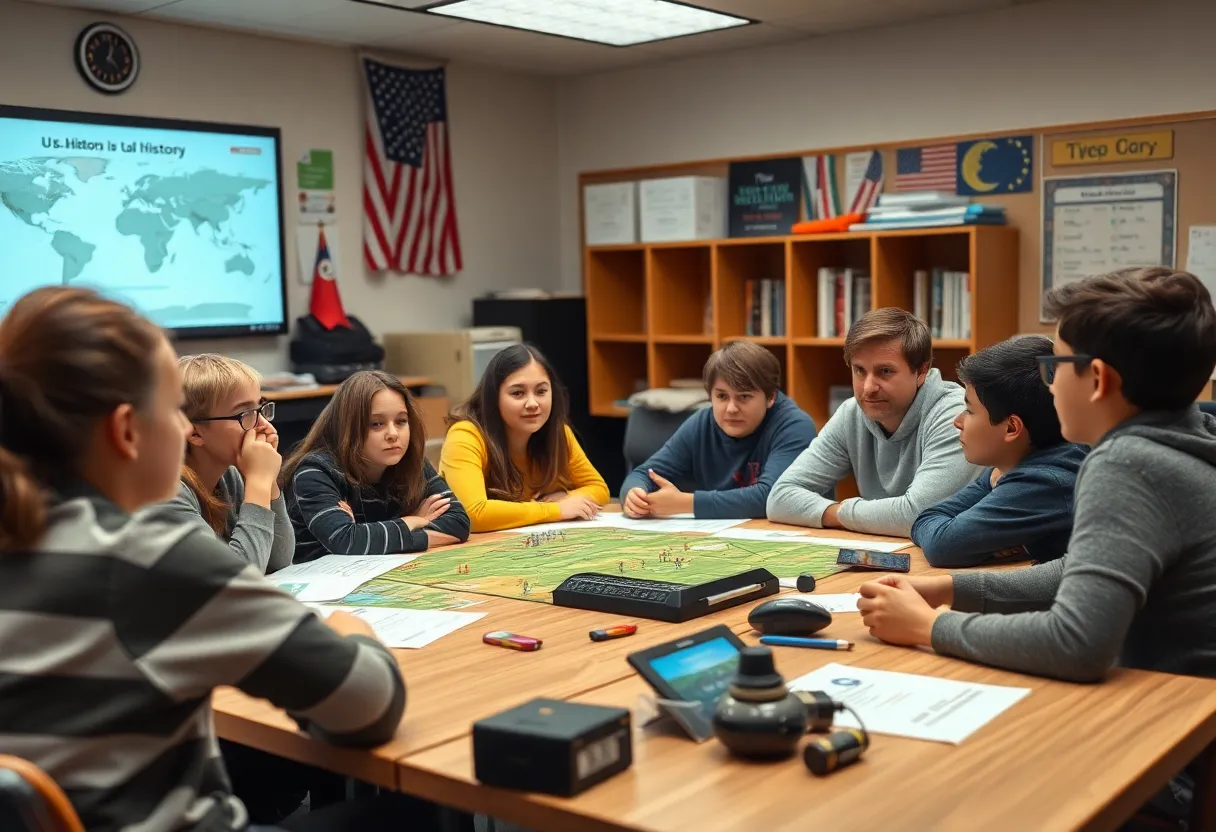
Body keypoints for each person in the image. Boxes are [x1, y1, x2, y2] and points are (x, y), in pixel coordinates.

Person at [0, 286, 411, 831]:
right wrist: (352, 630)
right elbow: (369, 707)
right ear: (126, 431)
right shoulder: (144, 556)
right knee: (417, 812)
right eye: (173, 410)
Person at [858, 267, 1216, 684]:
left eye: (1055, 366)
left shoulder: (1127, 464)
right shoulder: (1182, 439)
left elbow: (1076, 645)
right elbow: (1081, 569)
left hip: (1181, 713)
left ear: (1097, 380)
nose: (1051, 384)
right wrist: (951, 589)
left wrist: (927, 627)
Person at [766, 307, 979, 536]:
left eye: (885, 371)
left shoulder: (956, 415)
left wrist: (840, 513)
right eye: (859, 370)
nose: (868, 388)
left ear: (921, 371)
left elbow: (917, 516)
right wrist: (854, 516)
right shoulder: (852, 413)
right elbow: (780, 497)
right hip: (889, 551)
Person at [910, 336, 1088, 567]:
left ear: (1012, 428)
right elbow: (925, 519)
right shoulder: (1018, 461)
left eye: (969, 410)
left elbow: (942, 545)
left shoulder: (1047, 479)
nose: (957, 421)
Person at [283, 370, 470, 562]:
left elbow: (459, 523)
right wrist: (410, 521)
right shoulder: (315, 471)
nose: (392, 434)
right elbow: (346, 541)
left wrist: (372, 535)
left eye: (401, 421)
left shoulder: (410, 461)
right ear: (347, 427)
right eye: (376, 424)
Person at [620, 341, 817, 519]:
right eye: (722, 397)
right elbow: (643, 474)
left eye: (744, 397)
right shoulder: (701, 423)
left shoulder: (795, 426)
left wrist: (686, 503)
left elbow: (771, 497)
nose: (731, 408)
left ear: (770, 397)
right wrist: (635, 495)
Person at [440, 344, 609, 533]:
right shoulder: (465, 435)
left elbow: (598, 488)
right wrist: (555, 510)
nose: (532, 404)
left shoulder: (558, 432)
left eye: (541, 391)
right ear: (493, 397)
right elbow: (472, 513)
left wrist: (567, 497)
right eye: (517, 393)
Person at [163, 353, 293, 574]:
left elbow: (278, 559)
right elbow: (237, 579)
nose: (262, 425)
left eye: (260, 409)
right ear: (194, 432)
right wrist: (259, 480)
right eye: (246, 413)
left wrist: (268, 482)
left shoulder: (229, 475)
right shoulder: (167, 494)